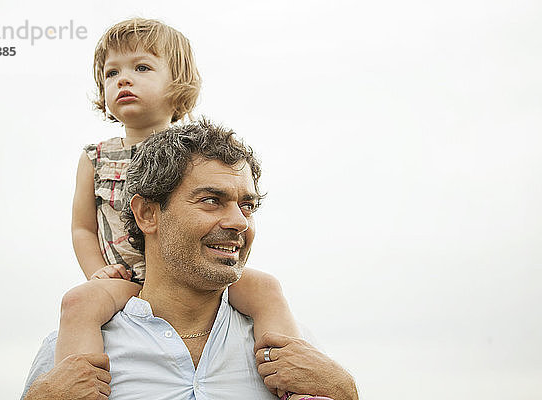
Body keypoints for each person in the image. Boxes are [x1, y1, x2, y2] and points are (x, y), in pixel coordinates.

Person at [57, 17, 305, 396]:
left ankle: (294, 377)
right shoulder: (95, 158)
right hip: (126, 278)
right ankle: (78, 386)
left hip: (194, 273)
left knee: (265, 288)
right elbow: (82, 228)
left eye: (141, 68)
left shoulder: (195, 152)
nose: (123, 79)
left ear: (178, 85)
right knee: (78, 304)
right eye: (111, 73)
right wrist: (99, 274)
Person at [21, 121, 358, 399]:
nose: (240, 222)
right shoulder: (69, 351)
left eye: (247, 206)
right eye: (212, 200)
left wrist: (347, 393)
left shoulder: (292, 346)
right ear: (148, 214)